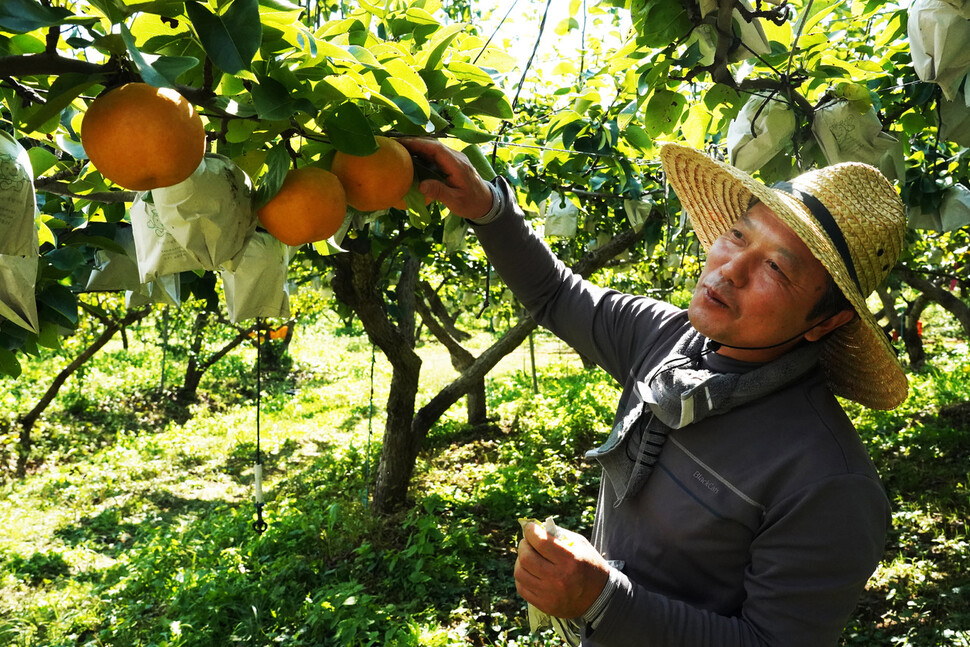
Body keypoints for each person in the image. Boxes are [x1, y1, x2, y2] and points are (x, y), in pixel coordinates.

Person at [401, 137, 908, 646]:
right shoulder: (666, 341)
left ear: (827, 322)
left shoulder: (826, 480)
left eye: (777, 267)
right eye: (737, 235)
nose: (731, 269)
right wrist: (486, 207)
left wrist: (602, 600)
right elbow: (556, 293)